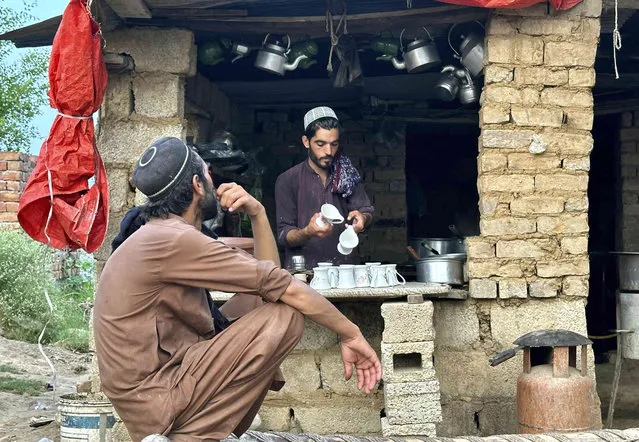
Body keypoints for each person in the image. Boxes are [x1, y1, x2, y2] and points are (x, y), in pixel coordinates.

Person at [93, 137, 381, 442]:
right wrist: (351, 333)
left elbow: (268, 280)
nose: (213, 180)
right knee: (286, 316)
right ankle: (190, 435)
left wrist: (257, 212)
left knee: (261, 302)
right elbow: (283, 286)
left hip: (155, 391)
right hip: (156, 398)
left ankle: (199, 429)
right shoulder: (173, 239)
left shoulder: (165, 234)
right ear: (197, 185)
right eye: (208, 173)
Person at [275, 106, 374, 269]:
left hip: (345, 271)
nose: (328, 151)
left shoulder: (347, 174)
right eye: (320, 144)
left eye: (334, 144)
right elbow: (283, 234)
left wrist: (363, 218)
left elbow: (367, 211)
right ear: (306, 141)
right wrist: (308, 232)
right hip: (302, 274)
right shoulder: (287, 180)